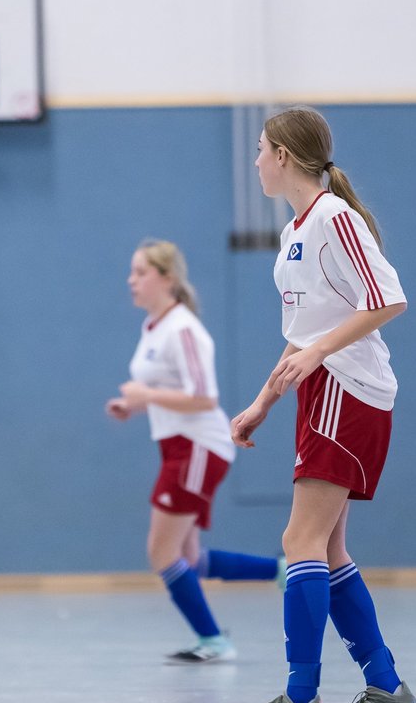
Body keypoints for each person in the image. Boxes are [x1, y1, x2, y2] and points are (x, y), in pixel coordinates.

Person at [228, 106, 416, 703]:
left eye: (260, 149)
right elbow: (302, 336)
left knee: (299, 541)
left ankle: (301, 697)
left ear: (284, 155)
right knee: (328, 548)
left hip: (348, 390)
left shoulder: (336, 219)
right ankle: (385, 685)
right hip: (321, 389)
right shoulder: (295, 233)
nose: (255, 161)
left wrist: (318, 355)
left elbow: (389, 299)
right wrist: (263, 401)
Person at [106, 239, 283, 664]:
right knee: (187, 557)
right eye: (131, 272)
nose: (131, 280)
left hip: (199, 447)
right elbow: (169, 390)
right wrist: (135, 403)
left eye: (140, 272)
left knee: (161, 553)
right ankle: (284, 571)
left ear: (167, 278)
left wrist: (145, 394)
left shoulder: (182, 328)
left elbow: (203, 397)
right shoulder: (154, 327)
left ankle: (214, 640)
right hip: (177, 448)